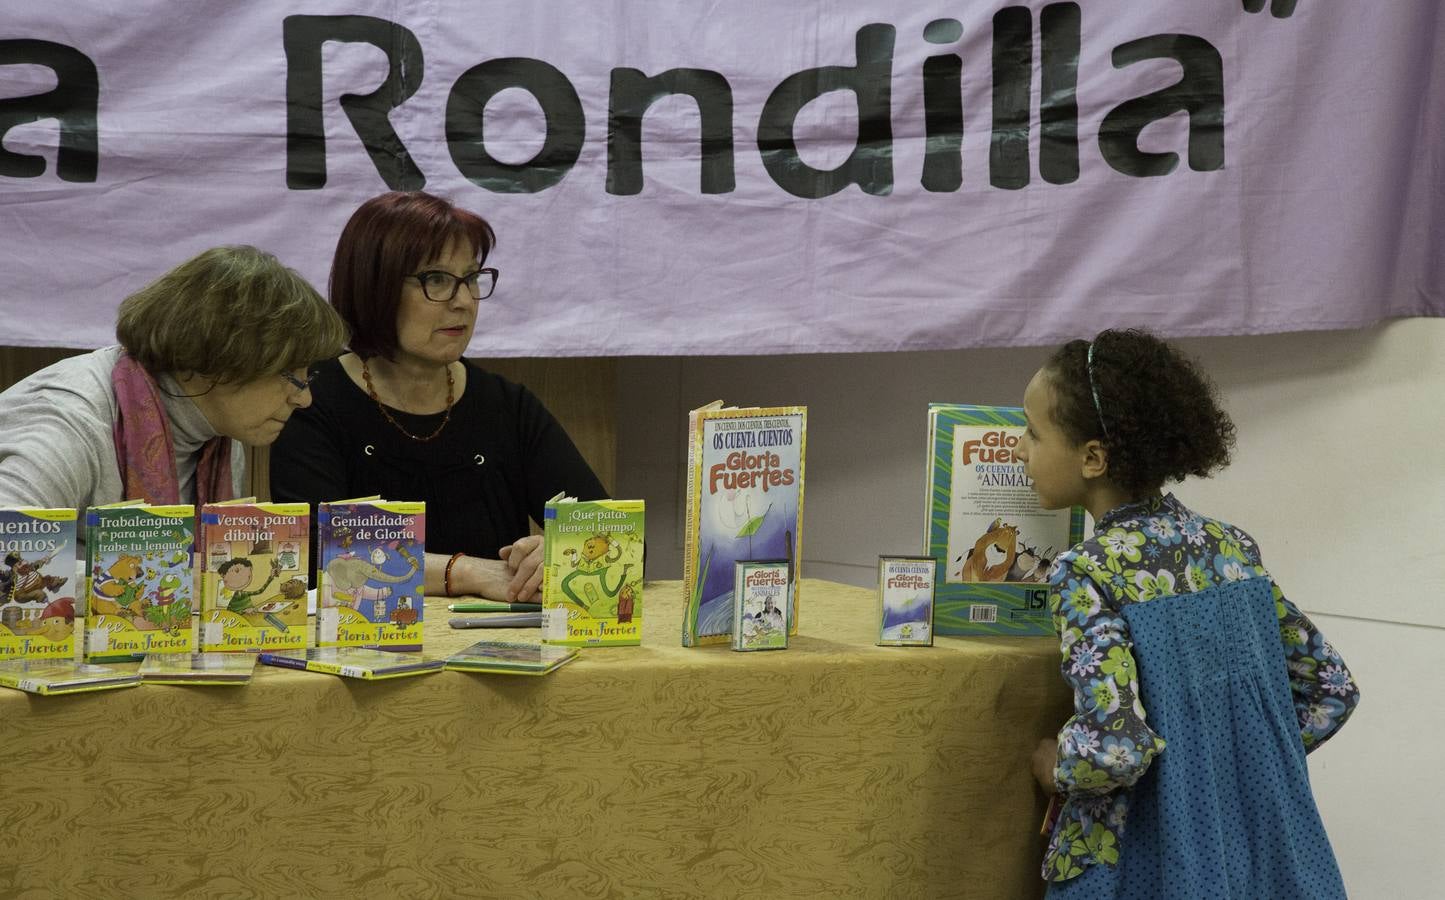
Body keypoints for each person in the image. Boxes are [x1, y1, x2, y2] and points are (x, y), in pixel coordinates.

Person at [1017, 329, 1359, 898]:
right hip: (1261, 849)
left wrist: (1056, 768)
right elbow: (1332, 690)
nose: (1019, 449)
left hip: (1151, 859)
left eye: (1033, 432)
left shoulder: (1088, 571)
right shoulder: (1231, 547)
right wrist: (1232, 765)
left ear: (1093, 458)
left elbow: (1113, 746)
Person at [269, 191, 607, 602]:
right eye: (437, 280)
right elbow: (310, 556)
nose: (463, 302)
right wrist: (465, 573)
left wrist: (559, 552)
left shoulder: (506, 405)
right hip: (362, 650)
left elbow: (618, 537)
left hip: (492, 652)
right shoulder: (310, 401)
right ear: (374, 287)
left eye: (470, 279)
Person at [0, 246, 348, 511]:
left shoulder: (218, 432)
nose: (304, 398)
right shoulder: (69, 424)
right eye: (292, 375)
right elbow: (9, 562)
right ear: (224, 358)